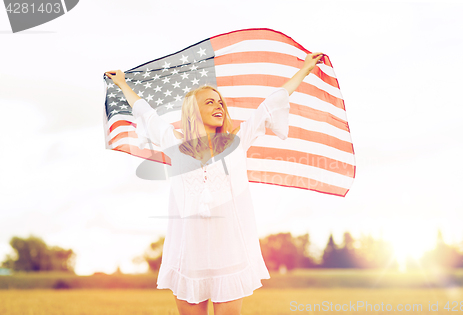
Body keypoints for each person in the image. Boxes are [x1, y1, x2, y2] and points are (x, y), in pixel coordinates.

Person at [105, 52, 324, 315]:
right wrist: (123, 84)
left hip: (229, 256)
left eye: (220, 103)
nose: (219, 107)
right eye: (210, 103)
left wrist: (305, 70)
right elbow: (145, 113)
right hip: (188, 258)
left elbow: (271, 103)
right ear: (193, 111)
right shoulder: (175, 144)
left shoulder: (238, 142)